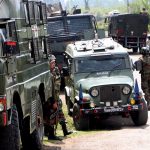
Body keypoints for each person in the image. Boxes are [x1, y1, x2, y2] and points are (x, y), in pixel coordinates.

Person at [44, 54, 73, 140]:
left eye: (54, 62)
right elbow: (50, 89)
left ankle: (65, 131)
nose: (54, 64)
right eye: (52, 62)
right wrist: (53, 102)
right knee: (51, 117)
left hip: (56, 97)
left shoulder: (56, 70)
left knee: (60, 114)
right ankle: (51, 135)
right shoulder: (46, 74)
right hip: (50, 99)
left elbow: (58, 85)